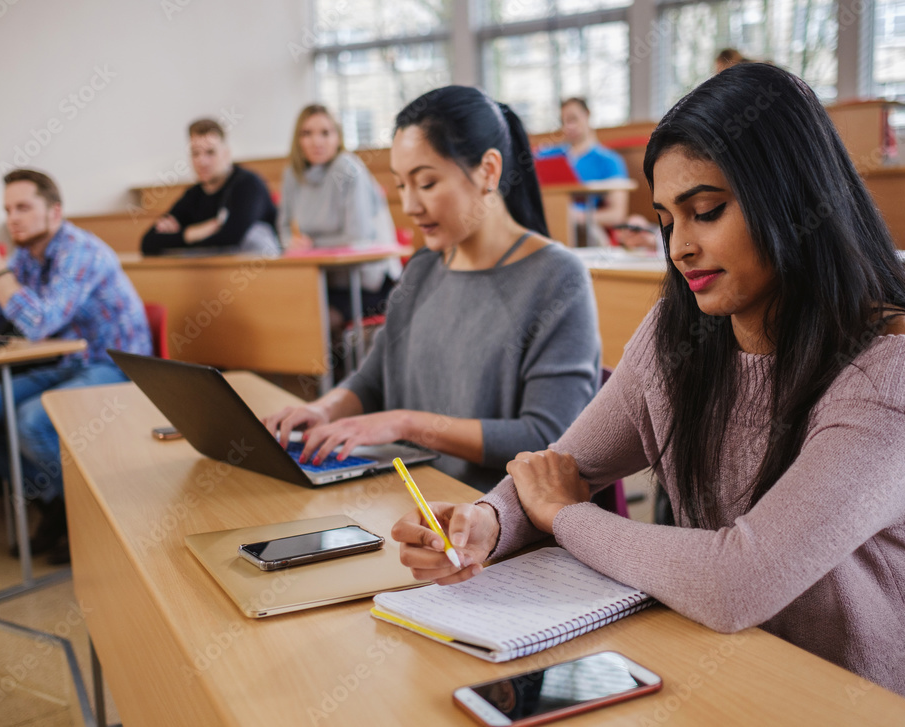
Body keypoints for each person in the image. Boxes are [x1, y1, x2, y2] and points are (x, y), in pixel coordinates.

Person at [392, 64, 905, 715]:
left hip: (867, 705)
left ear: (792, 199)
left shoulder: (899, 366)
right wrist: (484, 521)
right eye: (665, 220)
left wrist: (565, 517)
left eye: (705, 212)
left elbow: (740, 578)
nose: (680, 247)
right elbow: (562, 467)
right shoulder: (680, 332)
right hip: (727, 678)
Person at [264, 86, 601, 493]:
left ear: (489, 171)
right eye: (401, 186)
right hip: (406, 502)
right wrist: (321, 410)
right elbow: (371, 380)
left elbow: (546, 439)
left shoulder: (557, 278)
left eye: (425, 183)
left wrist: (408, 423)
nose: (409, 206)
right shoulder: (423, 267)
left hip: (491, 525)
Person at [0, 169, 153, 564]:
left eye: (24, 207)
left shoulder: (80, 251)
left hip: (119, 367)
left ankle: (85, 518)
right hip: (72, 364)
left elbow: (38, 323)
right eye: (8, 209)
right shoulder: (27, 257)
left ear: (54, 212)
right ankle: (56, 503)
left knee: (30, 420)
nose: (13, 219)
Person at [277, 104, 401, 329]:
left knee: (314, 320)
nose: (317, 141)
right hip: (321, 278)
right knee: (283, 309)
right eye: (307, 133)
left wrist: (310, 247)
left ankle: (325, 365)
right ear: (298, 139)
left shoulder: (348, 169)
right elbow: (284, 226)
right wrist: (290, 242)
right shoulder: (292, 175)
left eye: (325, 133)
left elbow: (357, 238)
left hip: (366, 282)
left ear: (338, 137)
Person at [141, 118, 279, 256]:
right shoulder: (193, 195)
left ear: (226, 154)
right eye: (195, 153)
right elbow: (148, 242)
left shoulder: (248, 185)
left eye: (210, 152)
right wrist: (193, 232)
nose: (202, 161)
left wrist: (179, 239)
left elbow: (231, 238)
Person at [537, 97, 657, 250]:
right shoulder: (548, 157)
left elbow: (617, 214)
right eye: (563, 121)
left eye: (573, 119)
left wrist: (577, 217)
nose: (568, 126)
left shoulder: (608, 160)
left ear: (587, 115)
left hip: (583, 232)